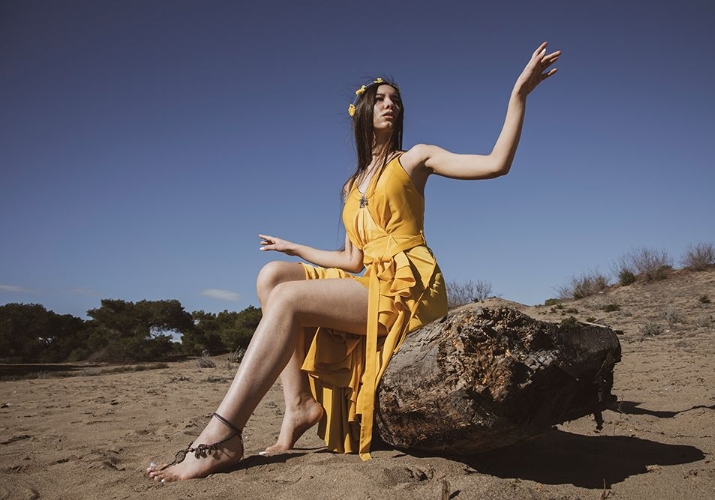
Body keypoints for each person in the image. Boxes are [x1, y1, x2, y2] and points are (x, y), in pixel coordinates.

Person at [147, 41, 560, 483]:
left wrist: (519, 94)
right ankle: (299, 406)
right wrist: (295, 248)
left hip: (407, 286)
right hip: (370, 279)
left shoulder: (414, 159)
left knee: (288, 299)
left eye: (396, 101)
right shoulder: (351, 186)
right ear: (362, 110)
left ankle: (224, 435)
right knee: (273, 277)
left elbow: (497, 164)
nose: (390, 106)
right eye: (380, 99)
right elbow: (350, 258)